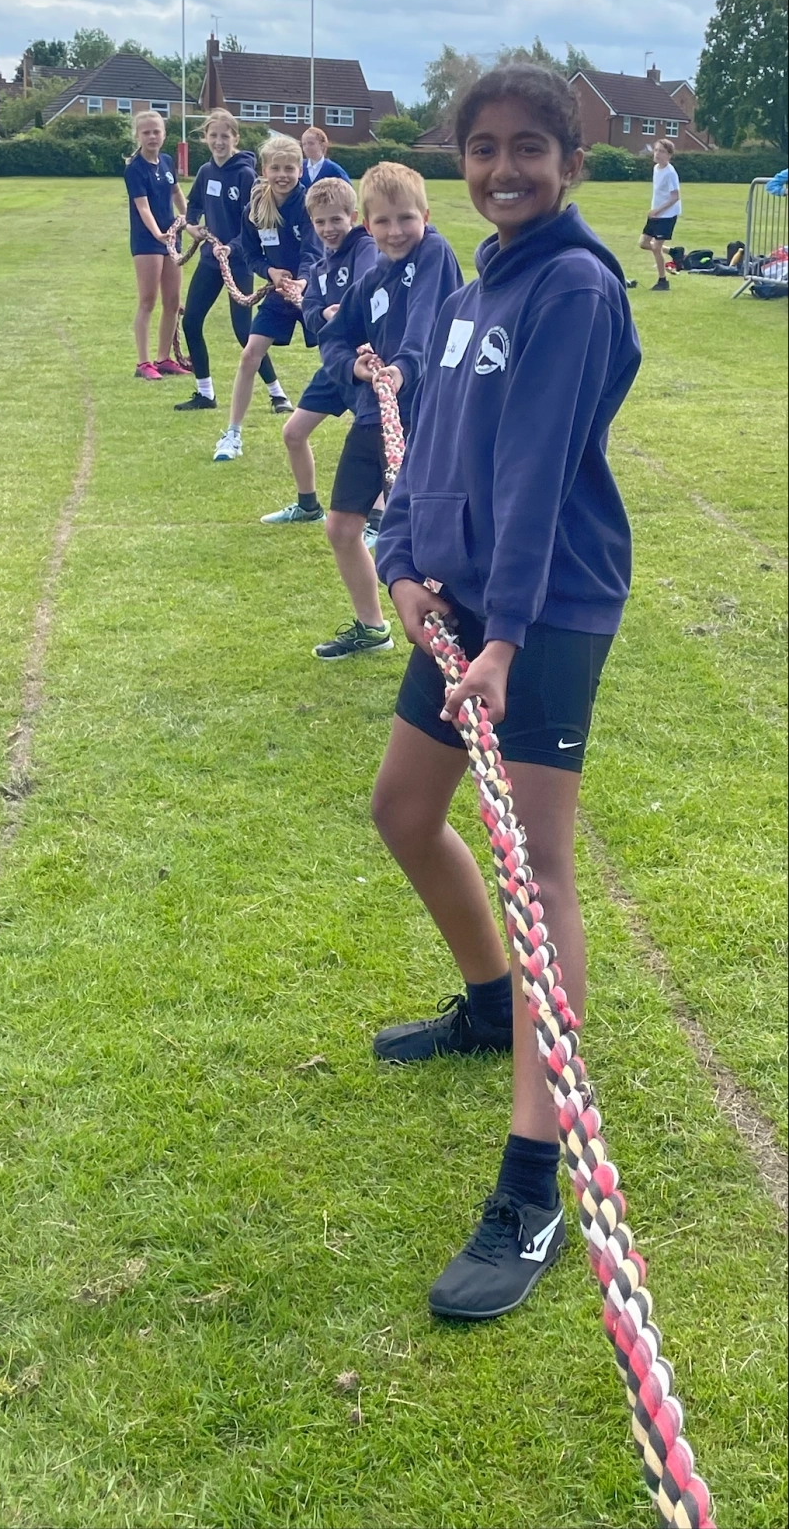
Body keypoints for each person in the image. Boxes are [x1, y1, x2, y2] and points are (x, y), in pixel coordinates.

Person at [369, 64, 641, 1323]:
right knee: (402, 809)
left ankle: (534, 1180)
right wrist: (400, 561)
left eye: (531, 145)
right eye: (482, 146)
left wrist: (507, 639)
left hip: (545, 610)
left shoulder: (574, 287)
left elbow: (533, 477)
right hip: (462, 600)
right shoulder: (474, 283)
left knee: (536, 869)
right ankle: (492, 1008)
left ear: (572, 163)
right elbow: (432, 443)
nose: (503, 168)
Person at [313, 163, 462, 660]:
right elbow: (332, 337)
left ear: (426, 216)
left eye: (406, 218)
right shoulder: (373, 279)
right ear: (367, 225)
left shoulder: (433, 254)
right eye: (383, 221)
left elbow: (423, 322)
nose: (396, 231)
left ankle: (453, 639)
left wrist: (403, 367)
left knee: (429, 536)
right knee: (341, 526)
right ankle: (372, 626)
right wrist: (353, 368)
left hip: (427, 414)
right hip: (376, 413)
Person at [260, 177, 380, 526]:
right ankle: (308, 507)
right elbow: (311, 313)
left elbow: (362, 293)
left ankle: (378, 521)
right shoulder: (318, 267)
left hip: (366, 364)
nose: (329, 228)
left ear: (353, 217)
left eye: (336, 219)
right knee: (293, 433)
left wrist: (340, 314)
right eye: (320, 221)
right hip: (335, 367)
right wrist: (326, 313)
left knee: (378, 441)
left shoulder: (365, 248)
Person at [213, 134, 323, 463]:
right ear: (264, 170)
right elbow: (250, 254)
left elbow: (314, 251)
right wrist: (270, 272)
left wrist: (302, 281)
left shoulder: (309, 205)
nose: (282, 175)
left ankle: (376, 429)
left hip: (315, 294)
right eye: (275, 168)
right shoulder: (255, 209)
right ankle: (232, 434)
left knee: (339, 359)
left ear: (300, 169)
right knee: (250, 355)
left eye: (289, 168)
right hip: (278, 293)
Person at [175, 109, 292, 415]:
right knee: (191, 322)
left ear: (235, 138)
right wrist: (191, 225)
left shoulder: (245, 175)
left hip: (238, 263)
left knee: (244, 332)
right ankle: (205, 392)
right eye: (213, 136)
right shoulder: (205, 171)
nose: (219, 141)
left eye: (224, 136)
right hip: (209, 261)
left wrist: (231, 247)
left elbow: (251, 223)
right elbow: (194, 204)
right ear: (205, 138)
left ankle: (278, 395)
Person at [123, 110, 191, 381]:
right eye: (146, 132)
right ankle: (143, 363)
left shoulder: (166, 161)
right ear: (138, 136)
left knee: (172, 301)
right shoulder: (134, 169)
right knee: (148, 301)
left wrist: (189, 219)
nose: (152, 137)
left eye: (156, 131)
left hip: (171, 239)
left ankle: (163, 359)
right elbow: (143, 207)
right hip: (147, 241)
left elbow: (176, 192)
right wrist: (158, 234)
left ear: (164, 134)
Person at [639, 138, 681, 290]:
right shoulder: (656, 168)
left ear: (669, 155)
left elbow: (675, 197)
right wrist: (655, 211)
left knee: (656, 248)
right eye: (656, 150)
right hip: (656, 213)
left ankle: (663, 282)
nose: (657, 154)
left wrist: (658, 210)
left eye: (662, 151)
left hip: (667, 215)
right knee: (643, 243)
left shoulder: (670, 173)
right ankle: (673, 252)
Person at [300, 125, 353, 190]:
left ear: (322, 145)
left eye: (311, 143)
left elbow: (348, 191)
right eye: (304, 144)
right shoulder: (299, 167)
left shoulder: (334, 170)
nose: (306, 147)